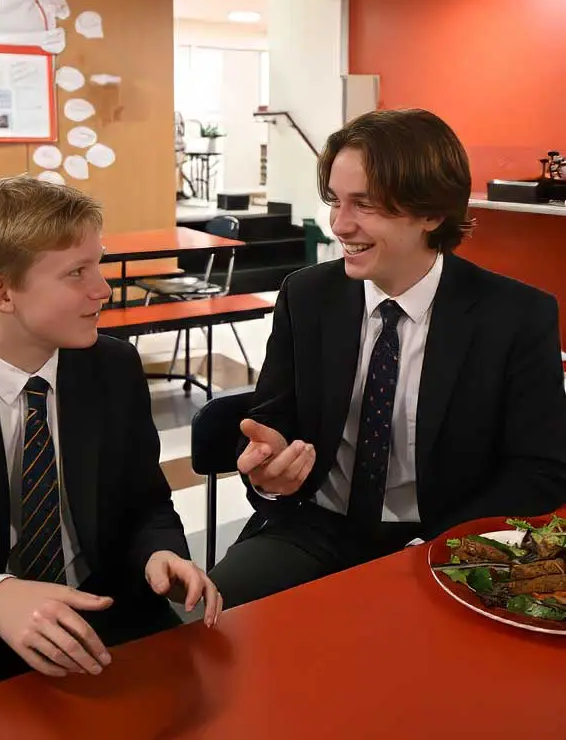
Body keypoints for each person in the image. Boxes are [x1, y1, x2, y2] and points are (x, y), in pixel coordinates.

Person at [0, 176, 221, 727]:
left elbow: (145, 500)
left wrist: (158, 552)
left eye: (99, 264)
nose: (103, 289)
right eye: (77, 273)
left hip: (101, 606)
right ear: (1, 292)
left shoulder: (113, 367)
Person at [210, 109, 566, 608]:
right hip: (312, 527)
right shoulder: (307, 295)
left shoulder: (515, 315)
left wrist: (440, 547)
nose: (338, 224)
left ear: (431, 213)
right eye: (335, 200)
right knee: (212, 625)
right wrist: (269, 468)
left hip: (445, 538)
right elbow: (274, 416)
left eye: (365, 205)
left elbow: (540, 469)